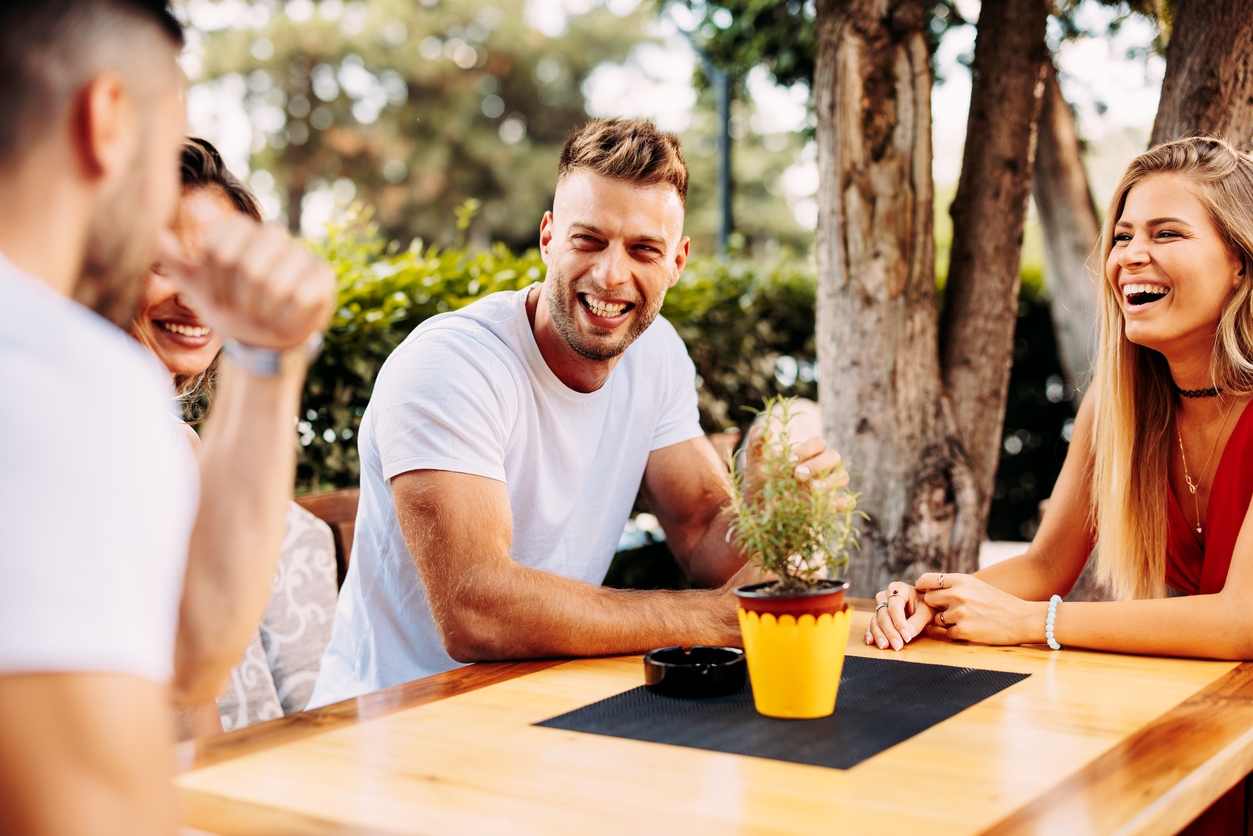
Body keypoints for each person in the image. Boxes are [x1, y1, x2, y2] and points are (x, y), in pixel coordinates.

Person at [310, 118, 844, 706]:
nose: (612, 274)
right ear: (548, 237)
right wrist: (716, 619)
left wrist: (769, 505)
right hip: (397, 724)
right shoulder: (452, 365)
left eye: (644, 249)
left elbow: (700, 535)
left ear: (677, 262)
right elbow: (476, 609)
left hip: (549, 702)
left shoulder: (656, 352)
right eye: (589, 240)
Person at [0, 3, 336, 834]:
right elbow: (90, 804)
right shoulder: (55, 369)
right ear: (108, 118)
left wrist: (267, 357)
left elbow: (186, 650)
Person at [867, 137, 1253, 659]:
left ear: (1241, 264)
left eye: (1167, 234)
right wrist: (932, 601)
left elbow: (1240, 622)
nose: (1132, 255)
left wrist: (1030, 621)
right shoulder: (1117, 407)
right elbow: (1046, 566)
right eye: (1122, 236)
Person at [129, 137, 339, 738]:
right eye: (163, 263)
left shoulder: (175, 445)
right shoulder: (91, 436)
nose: (196, 298)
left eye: (216, 272)